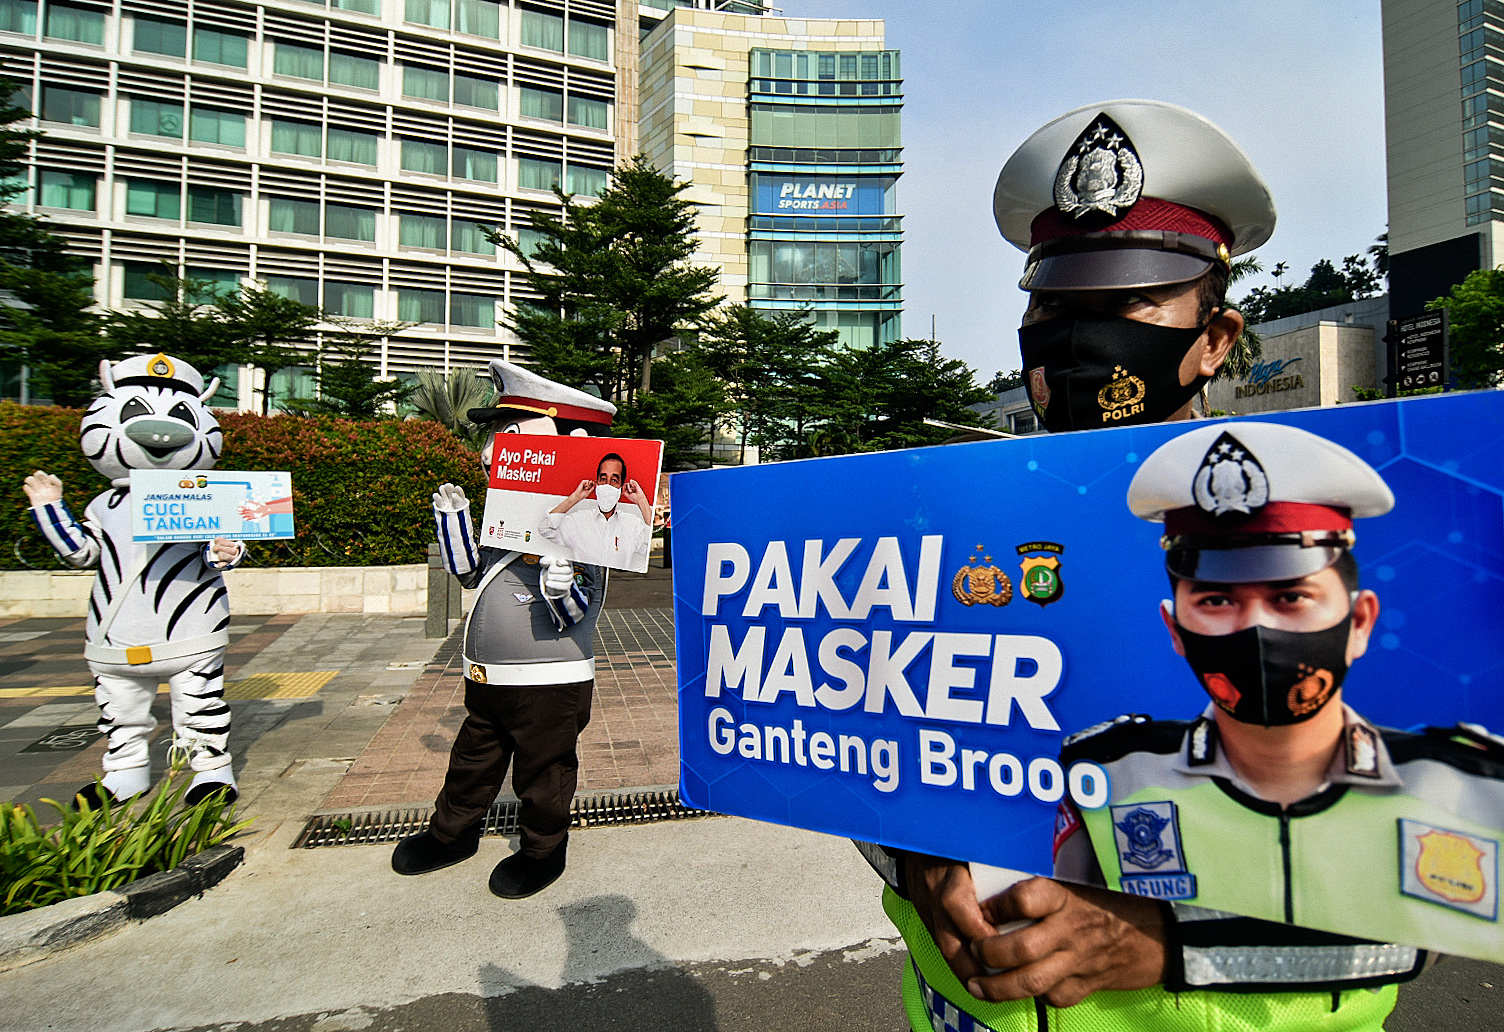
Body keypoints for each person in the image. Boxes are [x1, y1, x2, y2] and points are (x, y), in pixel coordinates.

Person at [863, 100, 1427, 1032]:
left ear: (1215, 339)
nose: (1082, 336)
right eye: (1054, 303)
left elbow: (1445, 888)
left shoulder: (1345, 553)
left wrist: (1169, 945)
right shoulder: (940, 535)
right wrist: (914, 853)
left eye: (1129, 300)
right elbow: (844, 747)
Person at [1056, 419, 1504, 963]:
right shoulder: (1108, 773)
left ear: (1359, 622)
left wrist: (1173, 949)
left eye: (1291, 596)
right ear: (1175, 630)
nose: (1256, 630)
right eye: (1217, 602)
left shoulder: (1466, 787)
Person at [391, 360, 612, 899]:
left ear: (565, 443)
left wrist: (562, 586)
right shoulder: (507, 514)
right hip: (487, 675)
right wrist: (454, 522)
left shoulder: (584, 525)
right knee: (473, 759)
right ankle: (452, 834)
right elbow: (471, 574)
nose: (495, 448)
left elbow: (578, 611)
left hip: (550, 679)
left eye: (512, 434)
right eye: (499, 435)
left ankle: (542, 848)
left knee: (544, 771)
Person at [23, 353, 245, 806]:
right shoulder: (104, 506)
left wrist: (226, 550)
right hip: (116, 631)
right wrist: (49, 507)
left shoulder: (202, 497)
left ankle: (210, 769)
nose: (163, 431)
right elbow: (81, 552)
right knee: (120, 706)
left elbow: (219, 549)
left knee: (199, 703)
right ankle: (125, 770)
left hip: (190, 627)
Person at [539, 452, 653, 569]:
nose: (607, 485)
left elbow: (649, 547)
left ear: (622, 487)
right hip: (585, 584)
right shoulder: (578, 521)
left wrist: (641, 501)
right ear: (597, 483)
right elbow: (545, 529)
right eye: (603, 479)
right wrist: (575, 497)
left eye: (614, 480)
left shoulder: (632, 524)